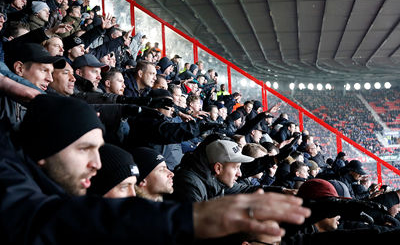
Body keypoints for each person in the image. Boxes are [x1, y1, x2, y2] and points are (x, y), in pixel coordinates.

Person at [0, 94, 311, 244]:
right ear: (46, 148)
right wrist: (193, 219)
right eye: (84, 149)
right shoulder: (6, 175)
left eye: (97, 149)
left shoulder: (45, 182)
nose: (96, 163)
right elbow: (46, 220)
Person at [171, 138, 256, 202]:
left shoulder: (217, 179)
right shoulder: (190, 185)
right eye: (236, 167)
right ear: (218, 168)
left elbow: (245, 190)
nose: (239, 174)